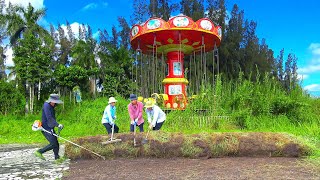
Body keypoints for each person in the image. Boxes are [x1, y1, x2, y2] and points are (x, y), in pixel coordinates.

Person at [34, 94, 64, 161]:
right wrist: (57, 125)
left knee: (56, 143)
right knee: (53, 143)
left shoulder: (51, 106)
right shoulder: (46, 106)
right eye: (55, 102)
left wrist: (56, 125)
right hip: (45, 128)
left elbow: (52, 118)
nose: (56, 104)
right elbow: (49, 118)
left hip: (50, 127)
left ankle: (57, 158)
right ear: (52, 101)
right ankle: (39, 151)